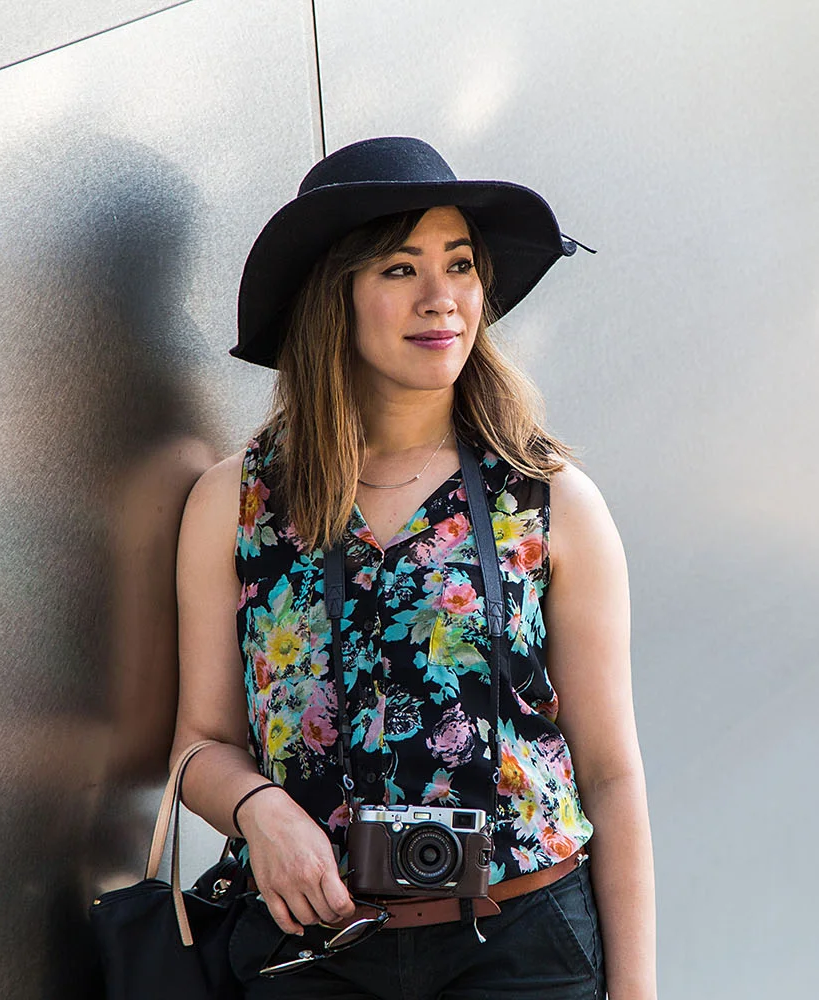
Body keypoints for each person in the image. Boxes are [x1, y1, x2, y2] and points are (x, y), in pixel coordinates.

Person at [171, 136, 656, 1000]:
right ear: (337, 296)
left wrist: (638, 993)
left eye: (460, 264)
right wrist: (259, 811)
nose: (443, 300)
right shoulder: (233, 503)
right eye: (401, 269)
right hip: (310, 954)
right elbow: (198, 745)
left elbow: (611, 774)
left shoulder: (549, 501)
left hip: (524, 948)